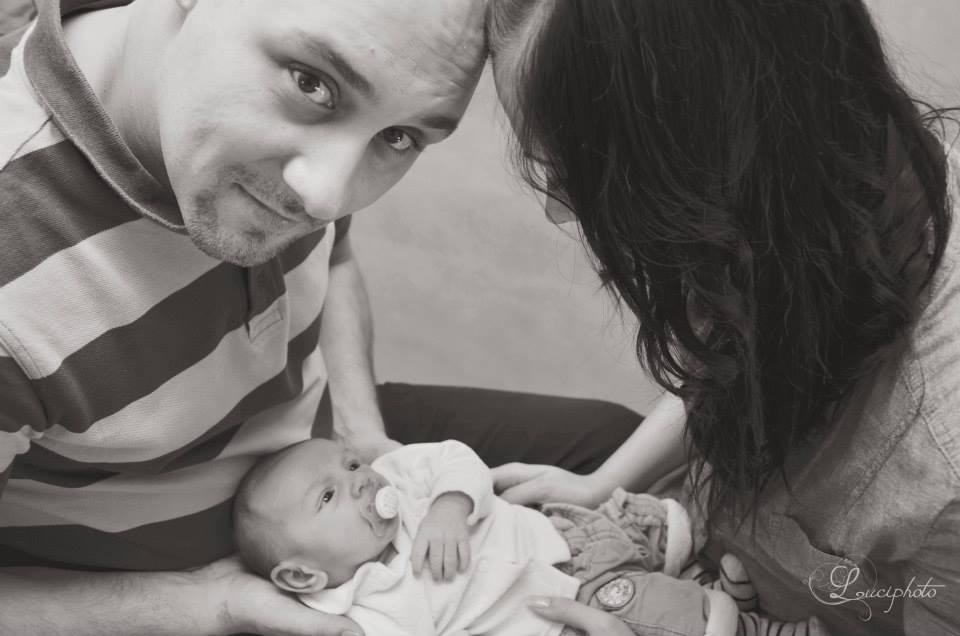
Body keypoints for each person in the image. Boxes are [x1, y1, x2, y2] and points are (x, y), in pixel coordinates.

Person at [0, 0, 645, 634]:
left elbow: (333, 256)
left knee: (614, 441)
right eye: (312, 85)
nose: (327, 196)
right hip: (185, 592)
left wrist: (363, 432)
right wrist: (204, 605)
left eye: (399, 137)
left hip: (333, 451)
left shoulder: (308, 138)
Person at [484, 1, 960, 635]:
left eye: (578, 177)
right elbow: (732, 358)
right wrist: (602, 484)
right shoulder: (782, 228)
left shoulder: (943, 458)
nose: (558, 212)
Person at [234, 437, 824, 636]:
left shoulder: (404, 480)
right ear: (302, 574)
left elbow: (456, 457)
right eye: (329, 497)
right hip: (561, 612)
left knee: (667, 523)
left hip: (565, 538)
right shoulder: (366, 616)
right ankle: (759, 628)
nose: (361, 481)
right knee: (654, 612)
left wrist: (449, 504)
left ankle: (702, 582)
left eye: (350, 464)